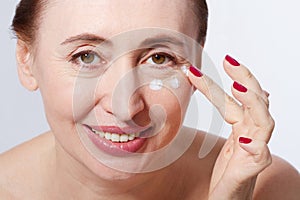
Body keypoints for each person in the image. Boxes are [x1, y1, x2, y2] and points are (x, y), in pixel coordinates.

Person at [0, 0, 299, 199]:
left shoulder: (269, 187)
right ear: (26, 61)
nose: (124, 108)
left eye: (159, 57)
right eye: (86, 56)